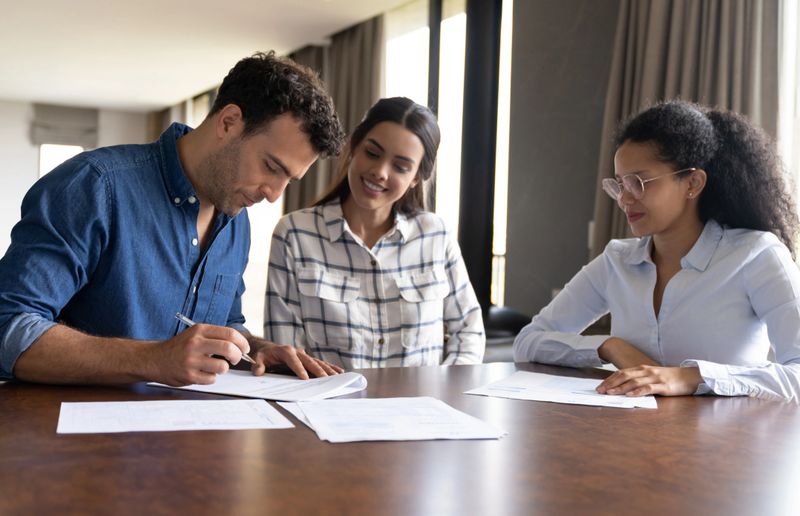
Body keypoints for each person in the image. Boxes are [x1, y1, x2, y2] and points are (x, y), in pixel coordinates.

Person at [0, 51, 347, 386]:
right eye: (272, 167)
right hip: (80, 439)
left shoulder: (236, 219)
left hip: (188, 438)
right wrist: (152, 359)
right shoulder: (94, 186)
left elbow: (224, 323)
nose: (274, 194)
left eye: (289, 180)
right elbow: (9, 327)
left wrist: (257, 350)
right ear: (228, 122)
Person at [513, 100, 800, 401]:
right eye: (620, 185)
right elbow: (528, 341)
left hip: (726, 442)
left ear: (692, 182)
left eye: (638, 182)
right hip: (635, 438)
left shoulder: (756, 255)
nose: (624, 199)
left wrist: (688, 377)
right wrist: (609, 346)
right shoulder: (617, 261)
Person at [264, 97, 485, 368]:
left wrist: (444, 390)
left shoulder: (436, 236)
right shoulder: (294, 235)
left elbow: (469, 331)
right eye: (372, 153)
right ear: (353, 147)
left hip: (422, 408)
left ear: (416, 177)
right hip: (329, 408)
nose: (380, 172)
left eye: (401, 167)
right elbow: (286, 355)